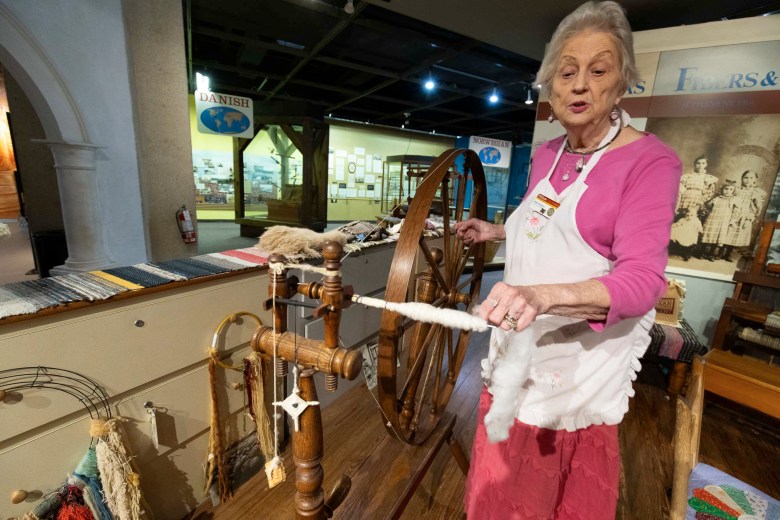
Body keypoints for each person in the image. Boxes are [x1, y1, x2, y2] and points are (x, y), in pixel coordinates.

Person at [453, 2, 681, 518]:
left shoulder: (649, 161)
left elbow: (644, 281)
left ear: (622, 82)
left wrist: (542, 296)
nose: (580, 85)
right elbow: (543, 226)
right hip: (519, 348)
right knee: (499, 485)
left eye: (598, 70)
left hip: (577, 367)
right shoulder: (547, 153)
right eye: (567, 72)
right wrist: (497, 231)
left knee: (546, 494)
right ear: (550, 88)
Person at [724, 170, 767, 261]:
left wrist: (750, 217)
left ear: (755, 180)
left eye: (751, 178)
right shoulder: (737, 189)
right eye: (746, 178)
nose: (748, 180)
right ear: (742, 178)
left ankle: (729, 253)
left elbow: (757, 206)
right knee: (728, 231)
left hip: (744, 215)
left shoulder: (755, 192)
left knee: (737, 234)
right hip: (733, 213)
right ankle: (721, 252)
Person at [699, 180, 738, 261]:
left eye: (731, 189)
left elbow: (736, 211)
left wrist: (733, 220)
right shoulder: (717, 198)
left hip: (723, 221)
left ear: (734, 191)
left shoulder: (733, 200)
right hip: (713, 219)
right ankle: (702, 252)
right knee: (709, 234)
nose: (728, 191)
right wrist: (705, 209)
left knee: (717, 237)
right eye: (726, 189)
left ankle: (712, 254)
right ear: (722, 189)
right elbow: (708, 205)